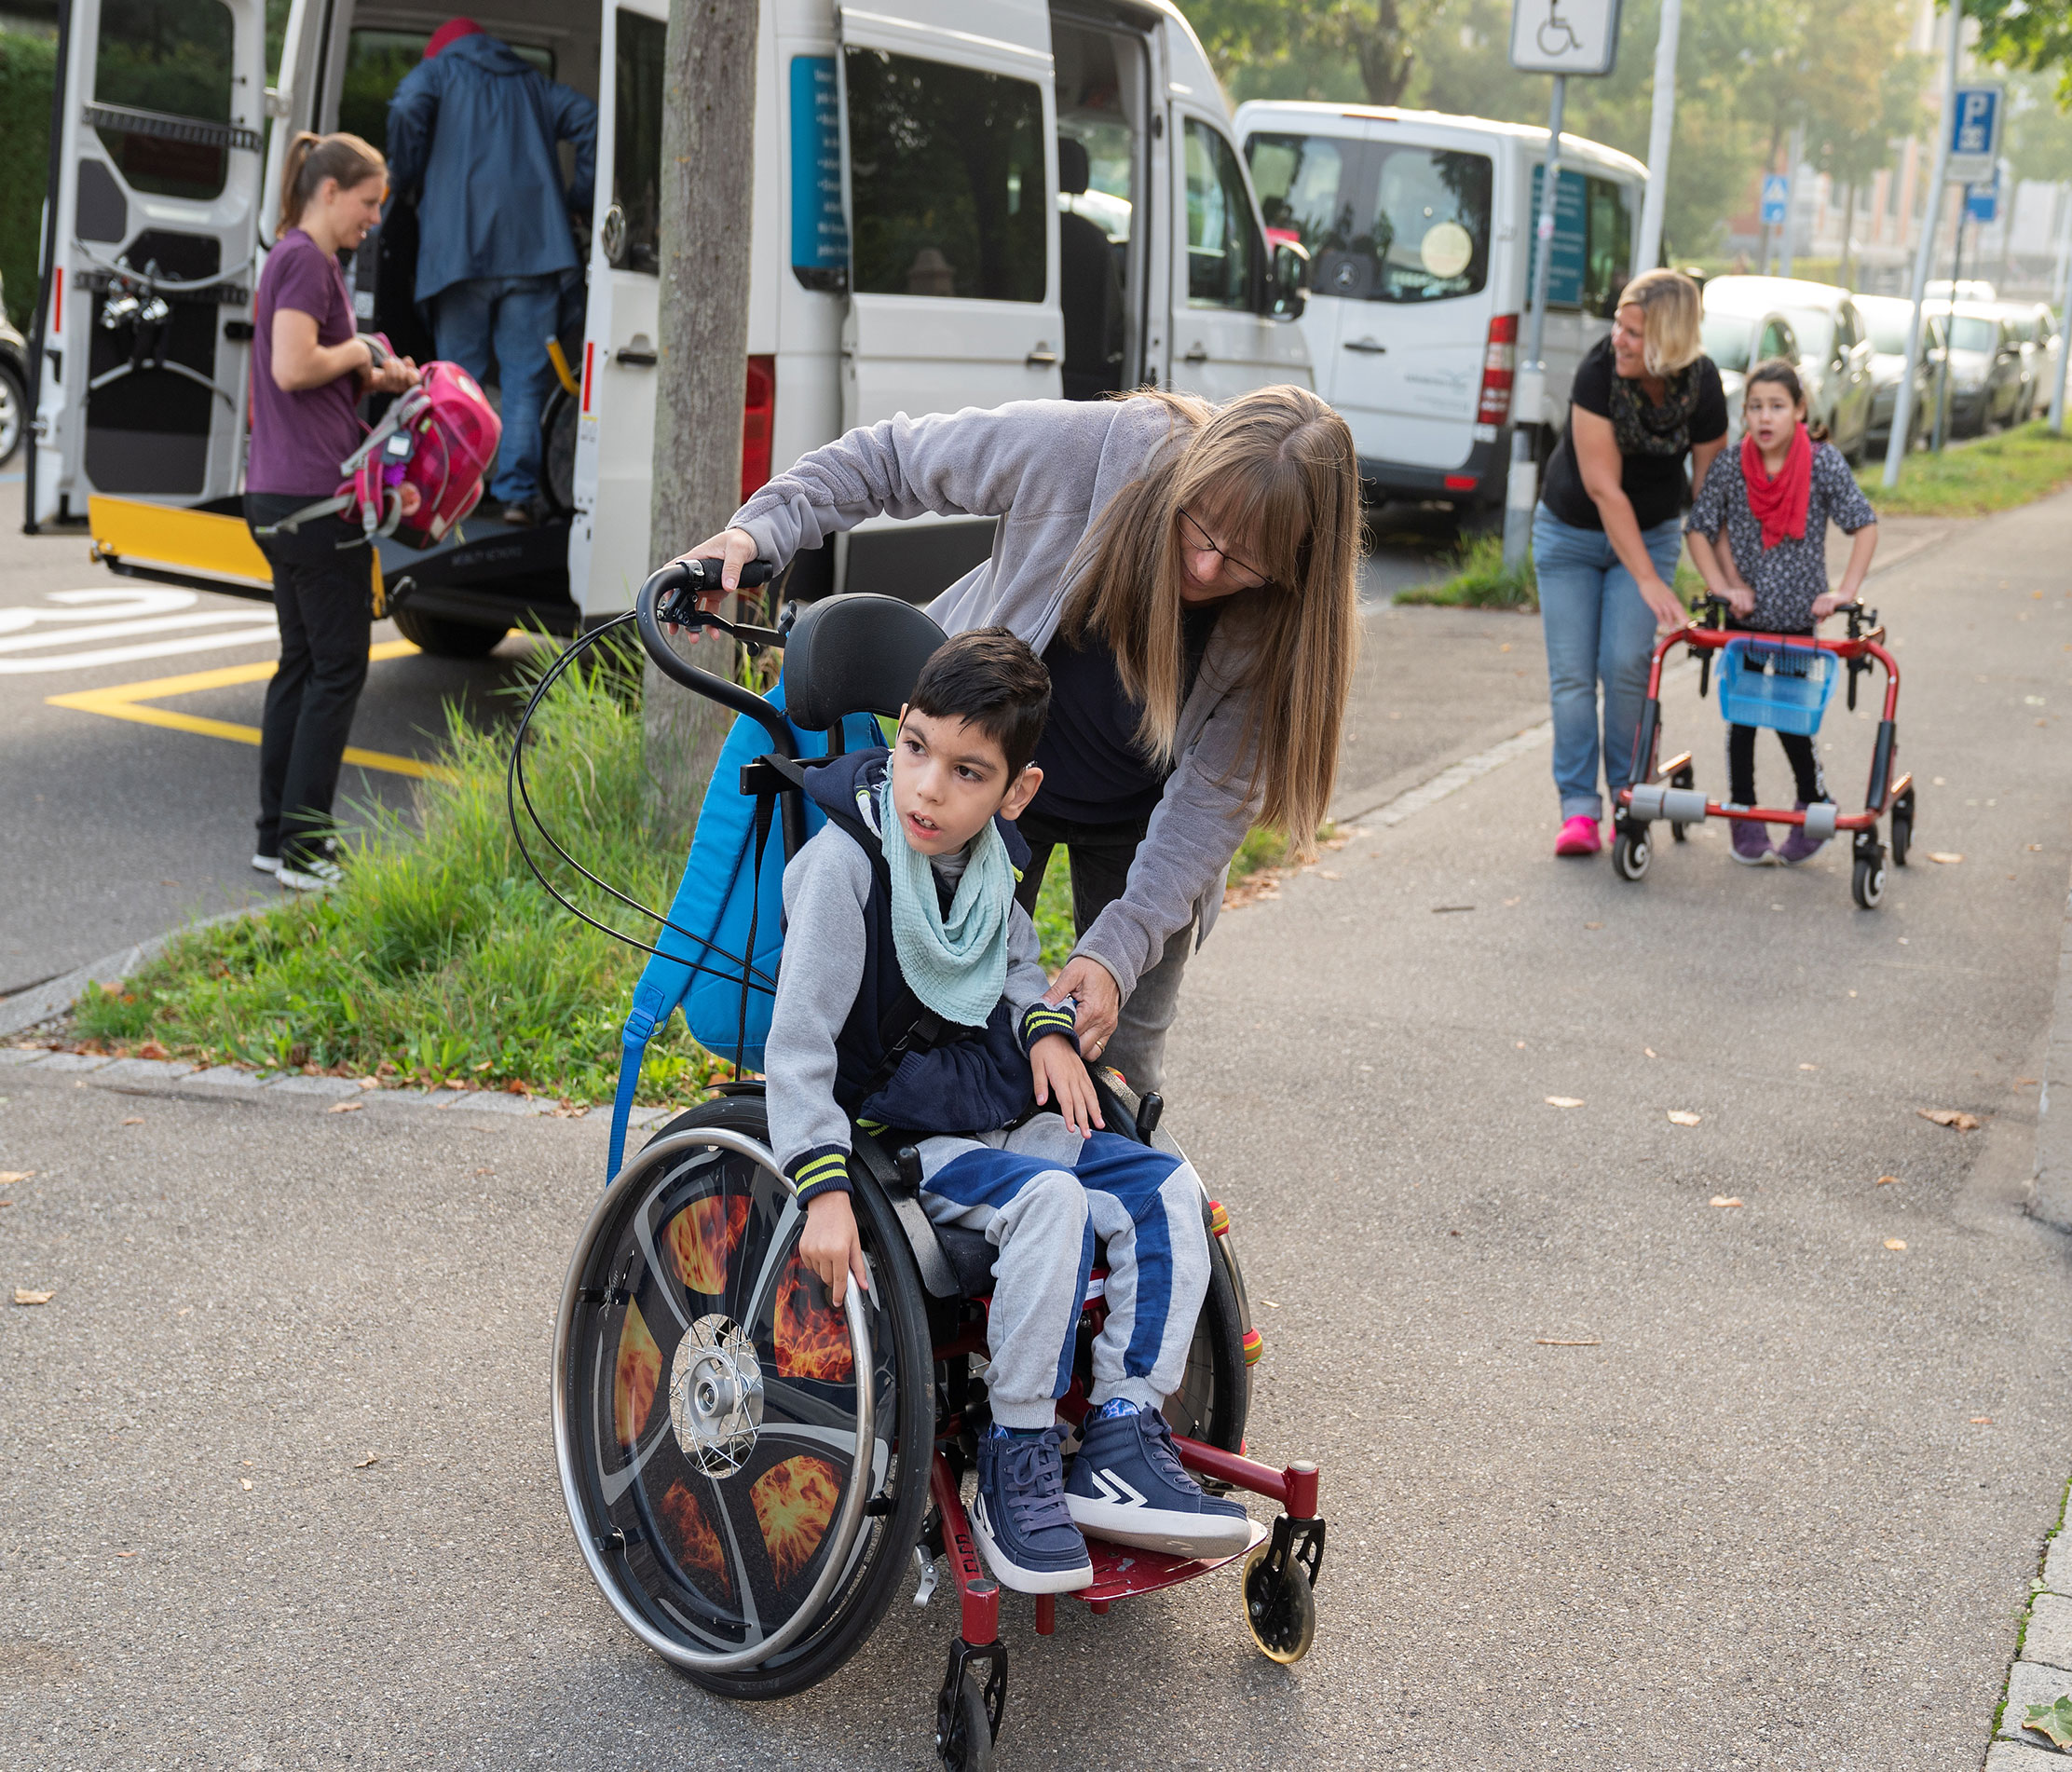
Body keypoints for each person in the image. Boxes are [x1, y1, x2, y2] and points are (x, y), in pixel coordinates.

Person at [680, 386, 1362, 1094]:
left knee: (1122, 1063)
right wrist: (762, 529)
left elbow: (1210, 804)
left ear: (1298, 570)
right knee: (951, 1033)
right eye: (1201, 529)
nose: (1207, 570)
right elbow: (890, 460)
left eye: (1247, 563)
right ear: (1189, 477)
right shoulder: (1080, 453)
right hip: (987, 789)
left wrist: (1113, 956)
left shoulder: (1288, 625)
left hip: (1146, 828)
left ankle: (1114, 1190)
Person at [774, 628, 1252, 1594]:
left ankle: (1123, 1428)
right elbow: (797, 1051)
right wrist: (821, 1192)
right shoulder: (846, 868)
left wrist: (1042, 1030)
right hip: (906, 1135)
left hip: (994, 1102)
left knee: (1164, 1186)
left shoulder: (990, 864)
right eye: (914, 750)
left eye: (965, 771)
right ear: (897, 732)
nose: (927, 790)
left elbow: (1019, 966)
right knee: (1052, 1203)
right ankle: (1019, 1447)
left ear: (1014, 792)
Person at [246, 132, 420, 893]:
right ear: (328, 191)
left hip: (281, 495)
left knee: (302, 665)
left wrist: (376, 377)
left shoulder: (298, 259)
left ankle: (274, 838)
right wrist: (355, 356)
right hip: (318, 503)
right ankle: (306, 850)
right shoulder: (307, 261)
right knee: (339, 667)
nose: (374, 218)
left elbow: (307, 374)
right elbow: (293, 366)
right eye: (368, 202)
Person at [1534, 267, 1728, 859]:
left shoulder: (1703, 385)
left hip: (1650, 533)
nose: (1619, 339)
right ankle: (1578, 811)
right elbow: (1603, 487)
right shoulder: (1598, 373)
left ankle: (1627, 796)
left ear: (1670, 339)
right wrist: (1648, 580)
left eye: (1635, 332)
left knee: (1625, 664)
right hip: (1569, 535)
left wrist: (1729, 582)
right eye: (1619, 325)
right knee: (1572, 678)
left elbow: (1710, 495)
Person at [385, 18, 595, 526]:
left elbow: (406, 105)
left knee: (460, 380)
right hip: (536, 253)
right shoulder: (530, 83)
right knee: (525, 381)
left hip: (457, 258)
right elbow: (588, 119)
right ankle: (518, 497)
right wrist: (576, 200)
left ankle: (455, 491)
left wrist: (405, 175)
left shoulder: (436, 76)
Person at [1684, 359, 1878, 866]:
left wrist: (1844, 592)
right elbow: (1698, 528)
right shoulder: (1731, 466)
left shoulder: (1822, 463)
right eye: (1755, 408)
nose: (1765, 418)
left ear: (1799, 410)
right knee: (1742, 720)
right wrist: (1723, 587)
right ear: (1744, 413)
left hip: (1797, 617)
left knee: (1793, 718)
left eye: (1776, 407)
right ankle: (1744, 818)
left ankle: (1815, 804)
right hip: (1744, 621)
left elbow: (1864, 525)